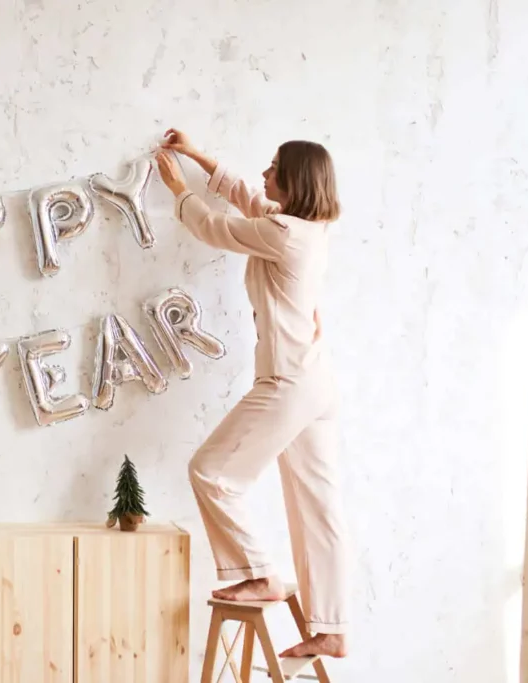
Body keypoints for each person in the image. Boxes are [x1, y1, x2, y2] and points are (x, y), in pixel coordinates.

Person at [155, 130, 349, 659]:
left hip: (288, 382)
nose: (264, 173)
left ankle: (259, 571)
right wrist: (196, 156)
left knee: (211, 472)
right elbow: (245, 195)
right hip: (315, 381)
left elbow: (214, 226)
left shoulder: (284, 233)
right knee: (317, 506)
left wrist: (178, 188)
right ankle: (331, 628)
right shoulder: (309, 228)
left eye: (273, 167)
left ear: (295, 181)